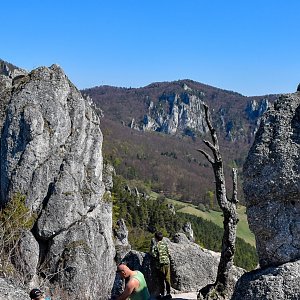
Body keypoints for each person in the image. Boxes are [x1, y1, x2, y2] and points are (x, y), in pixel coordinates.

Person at [150, 232, 172, 299]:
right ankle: (168, 294)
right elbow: (168, 253)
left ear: (156, 238)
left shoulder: (155, 245)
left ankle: (162, 295)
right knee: (167, 279)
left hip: (160, 264)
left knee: (161, 280)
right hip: (167, 263)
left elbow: (153, 254)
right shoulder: (165, 244)